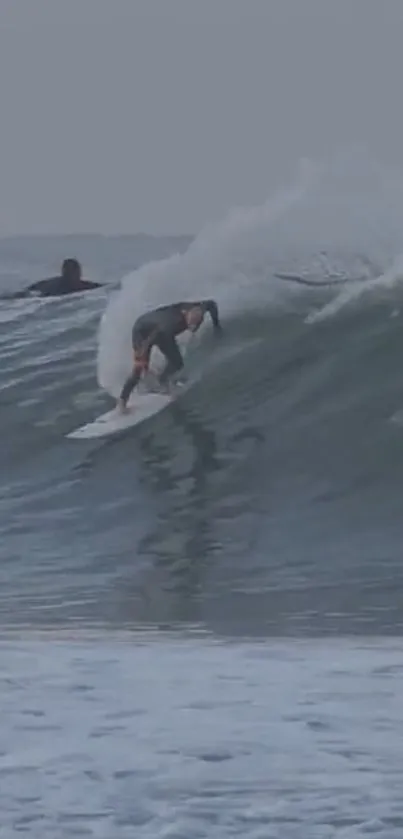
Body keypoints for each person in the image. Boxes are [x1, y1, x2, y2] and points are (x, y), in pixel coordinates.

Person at [116, 299, 222, 413]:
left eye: (196, 324)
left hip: (161, 330)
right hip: (143, 332)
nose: (193, 327)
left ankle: (162, 380)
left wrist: (217, 326)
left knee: (178, 363)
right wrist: (142, 351)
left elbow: (212, 304)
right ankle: (122, 401)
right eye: (190, 324)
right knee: (140, 367)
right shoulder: (172, 323)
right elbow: (153, 335)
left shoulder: (200, 307)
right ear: (186, 315)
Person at [9, 258, 102, 298]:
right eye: (67, 271)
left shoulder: (84, 285)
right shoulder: (54, 285)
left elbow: (101, 287)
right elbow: (32, 289)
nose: (71, 275)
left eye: (74, 271)